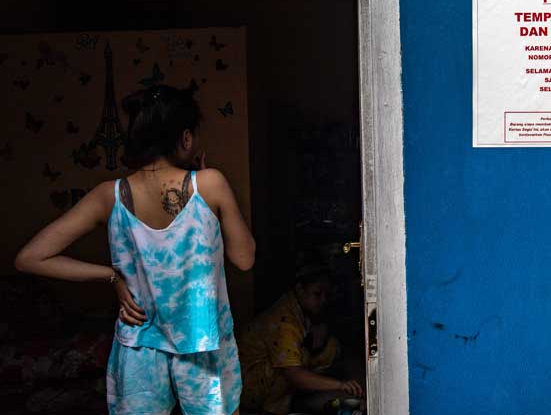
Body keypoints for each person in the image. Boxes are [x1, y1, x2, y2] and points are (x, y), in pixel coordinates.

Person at [15, 84, 256, 415]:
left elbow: (30, 258)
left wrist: (111, 276)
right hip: (202, 343)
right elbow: (244, 259)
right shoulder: (211, 183)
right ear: (186, 138)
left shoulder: (108, 195)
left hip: (139, 347)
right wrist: (212, 191)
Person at [239, 263, 364, 415]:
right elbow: (294, 375)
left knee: (330, 347)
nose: (323, 300)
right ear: (299, 289)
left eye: (326, 295)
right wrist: (340, 385)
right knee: (290, 367)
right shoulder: (284, 321)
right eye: (317, 294)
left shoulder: (300, 311)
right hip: (248, 387)